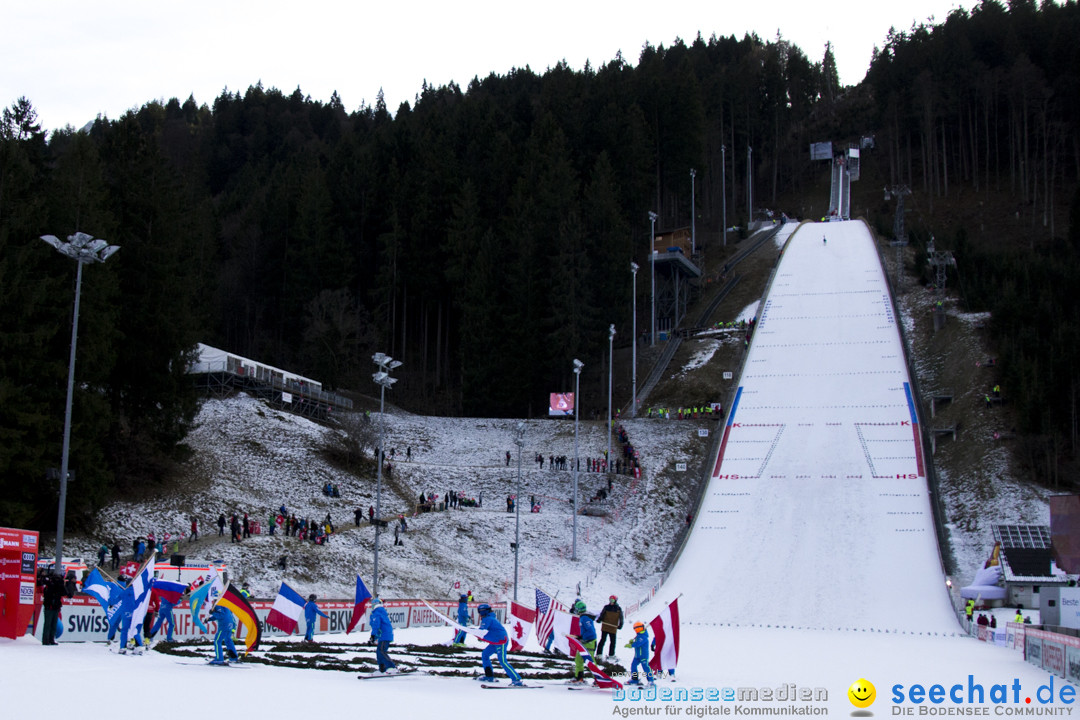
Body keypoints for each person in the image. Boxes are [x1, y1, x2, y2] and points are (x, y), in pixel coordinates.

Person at [474, 603, 523, 686]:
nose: (480, 614)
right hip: (495, 641)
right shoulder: (489, 618)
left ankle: (517, 680)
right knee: (485, 654)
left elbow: (481, 631)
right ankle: (489, 676)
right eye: (479, 612)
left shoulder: (488, 619)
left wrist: (470, 631)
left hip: (501, 641)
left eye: (481, 612)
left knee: (502, 661)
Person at [570, 600, 597, 684]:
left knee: (590, 661)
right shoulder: (582, 617)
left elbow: (591, 631)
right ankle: (579, 678)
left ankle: (597, 679)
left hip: (590, 642)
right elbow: (585, 631)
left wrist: (585, 638)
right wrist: (580, 637)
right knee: (578, 659)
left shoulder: (585, 618)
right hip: (584, 641)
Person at [369, 598, 398, 673]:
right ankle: (382, 669)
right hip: (383, 635)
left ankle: (391, 667)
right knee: (379, 652)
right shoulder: (380, 612)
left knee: (381, 651)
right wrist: (373, 638)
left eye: (372, 604)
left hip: (384, 635)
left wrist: (372, 636)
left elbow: (376, 625)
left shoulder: (377, 613)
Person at [625, 621, 655, 686]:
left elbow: (638, 643)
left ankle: (651, 681)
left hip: (643, 656)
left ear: (638, 628)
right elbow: (637, 641)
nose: (635, 630)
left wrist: (631, 645)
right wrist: (632, 641)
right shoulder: (639, 635)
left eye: (635, 628)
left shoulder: (643, 636)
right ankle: (635, 679)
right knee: (633, 665)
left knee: (646, 667)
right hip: (637, 656)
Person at [40, 572, 66, 645]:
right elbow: (49, 593)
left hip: (56, 607)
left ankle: (51, 639)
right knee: (48, 624)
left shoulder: (59, 586)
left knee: (53, 625)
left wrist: (61, 584)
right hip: (49, 607)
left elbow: (64, 592)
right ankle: (46, 640)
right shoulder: (49, 585)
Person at [597, 594, 624, 661]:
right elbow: (602, 614)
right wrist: (599, 619)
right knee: (603, 640)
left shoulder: (618, 609)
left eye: (612, 600)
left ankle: (611, 654)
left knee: (613, 641)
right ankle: (599, 654)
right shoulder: (606, 607)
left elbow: (621, 617)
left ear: (615, 601)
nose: (611, 601)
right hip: (605, 626)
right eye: (610, 600)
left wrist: (621, 624)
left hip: (613, 627)